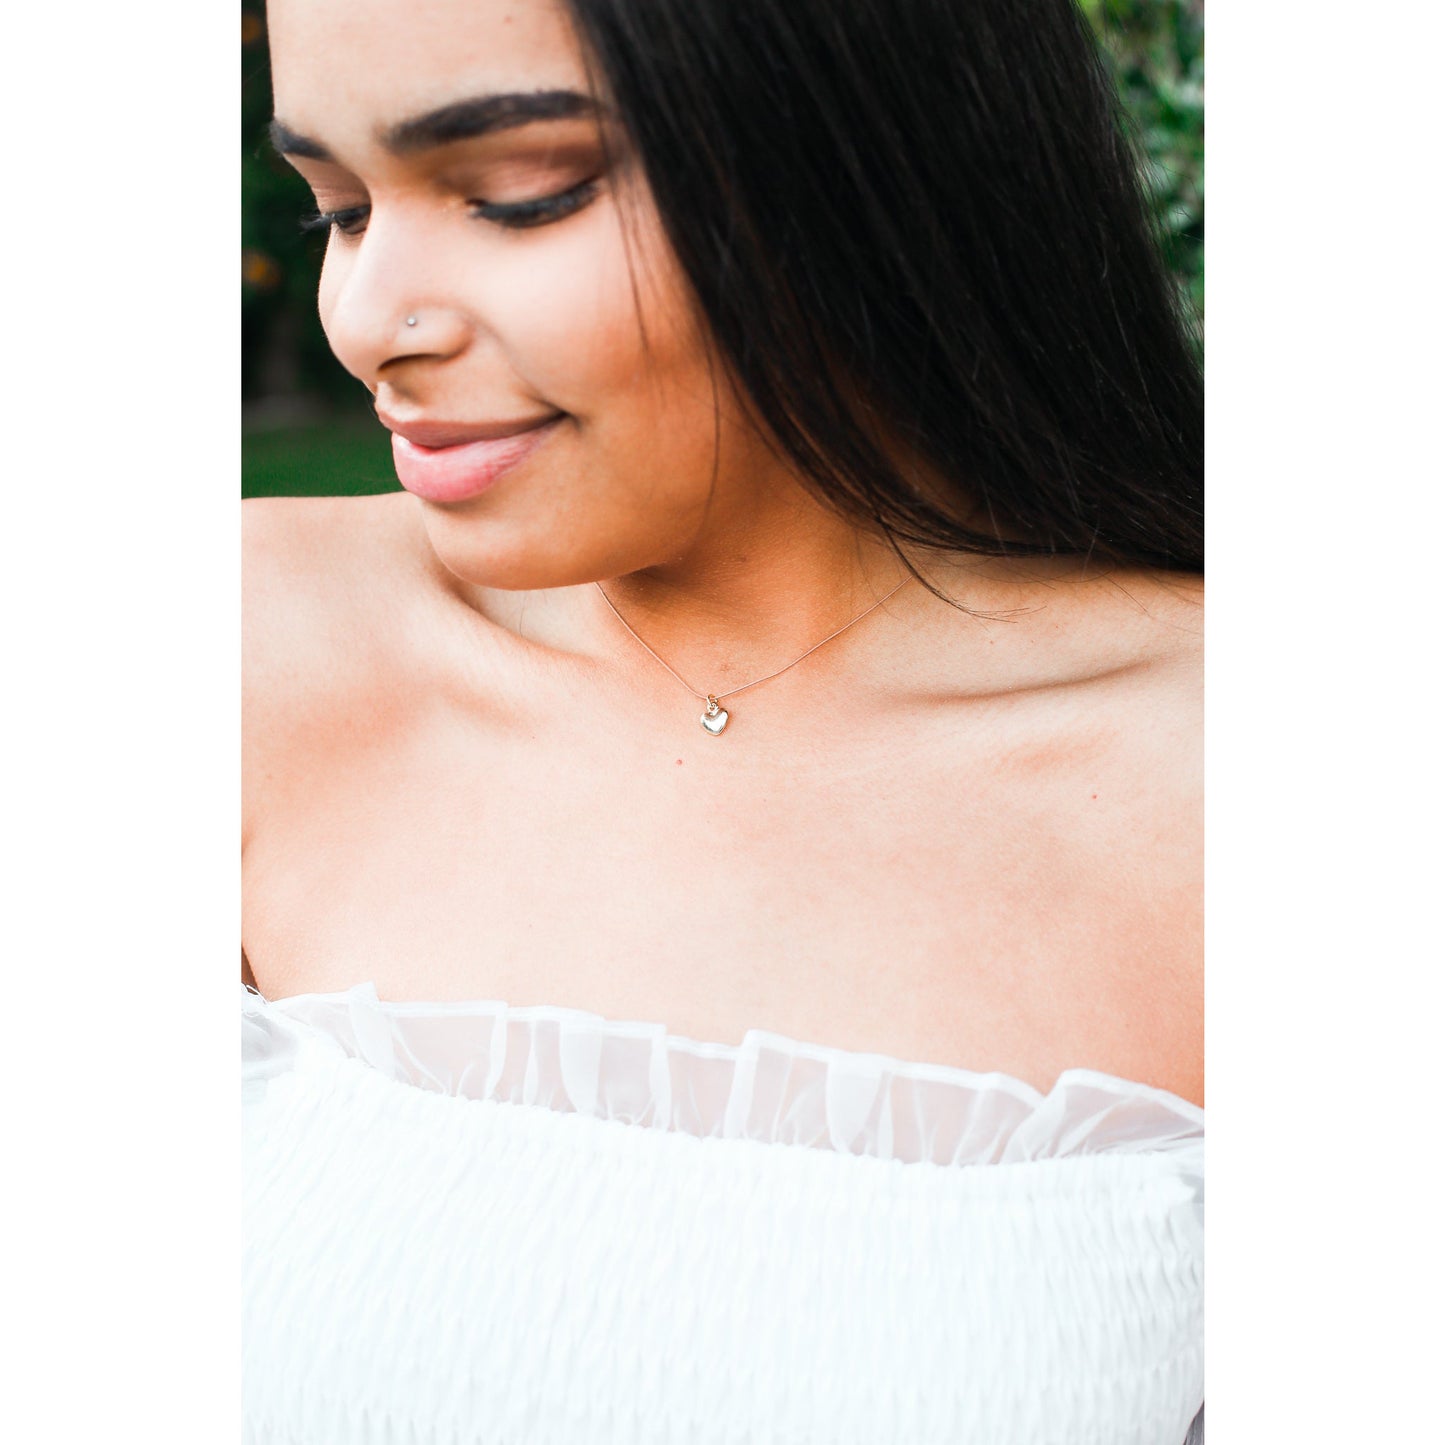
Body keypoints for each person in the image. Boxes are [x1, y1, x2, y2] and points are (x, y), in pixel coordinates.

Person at [242, 0, 1204, 1440]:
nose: (370, 319)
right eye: (340, 208)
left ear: (869, 155)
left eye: (518, 197)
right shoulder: (244, 646)